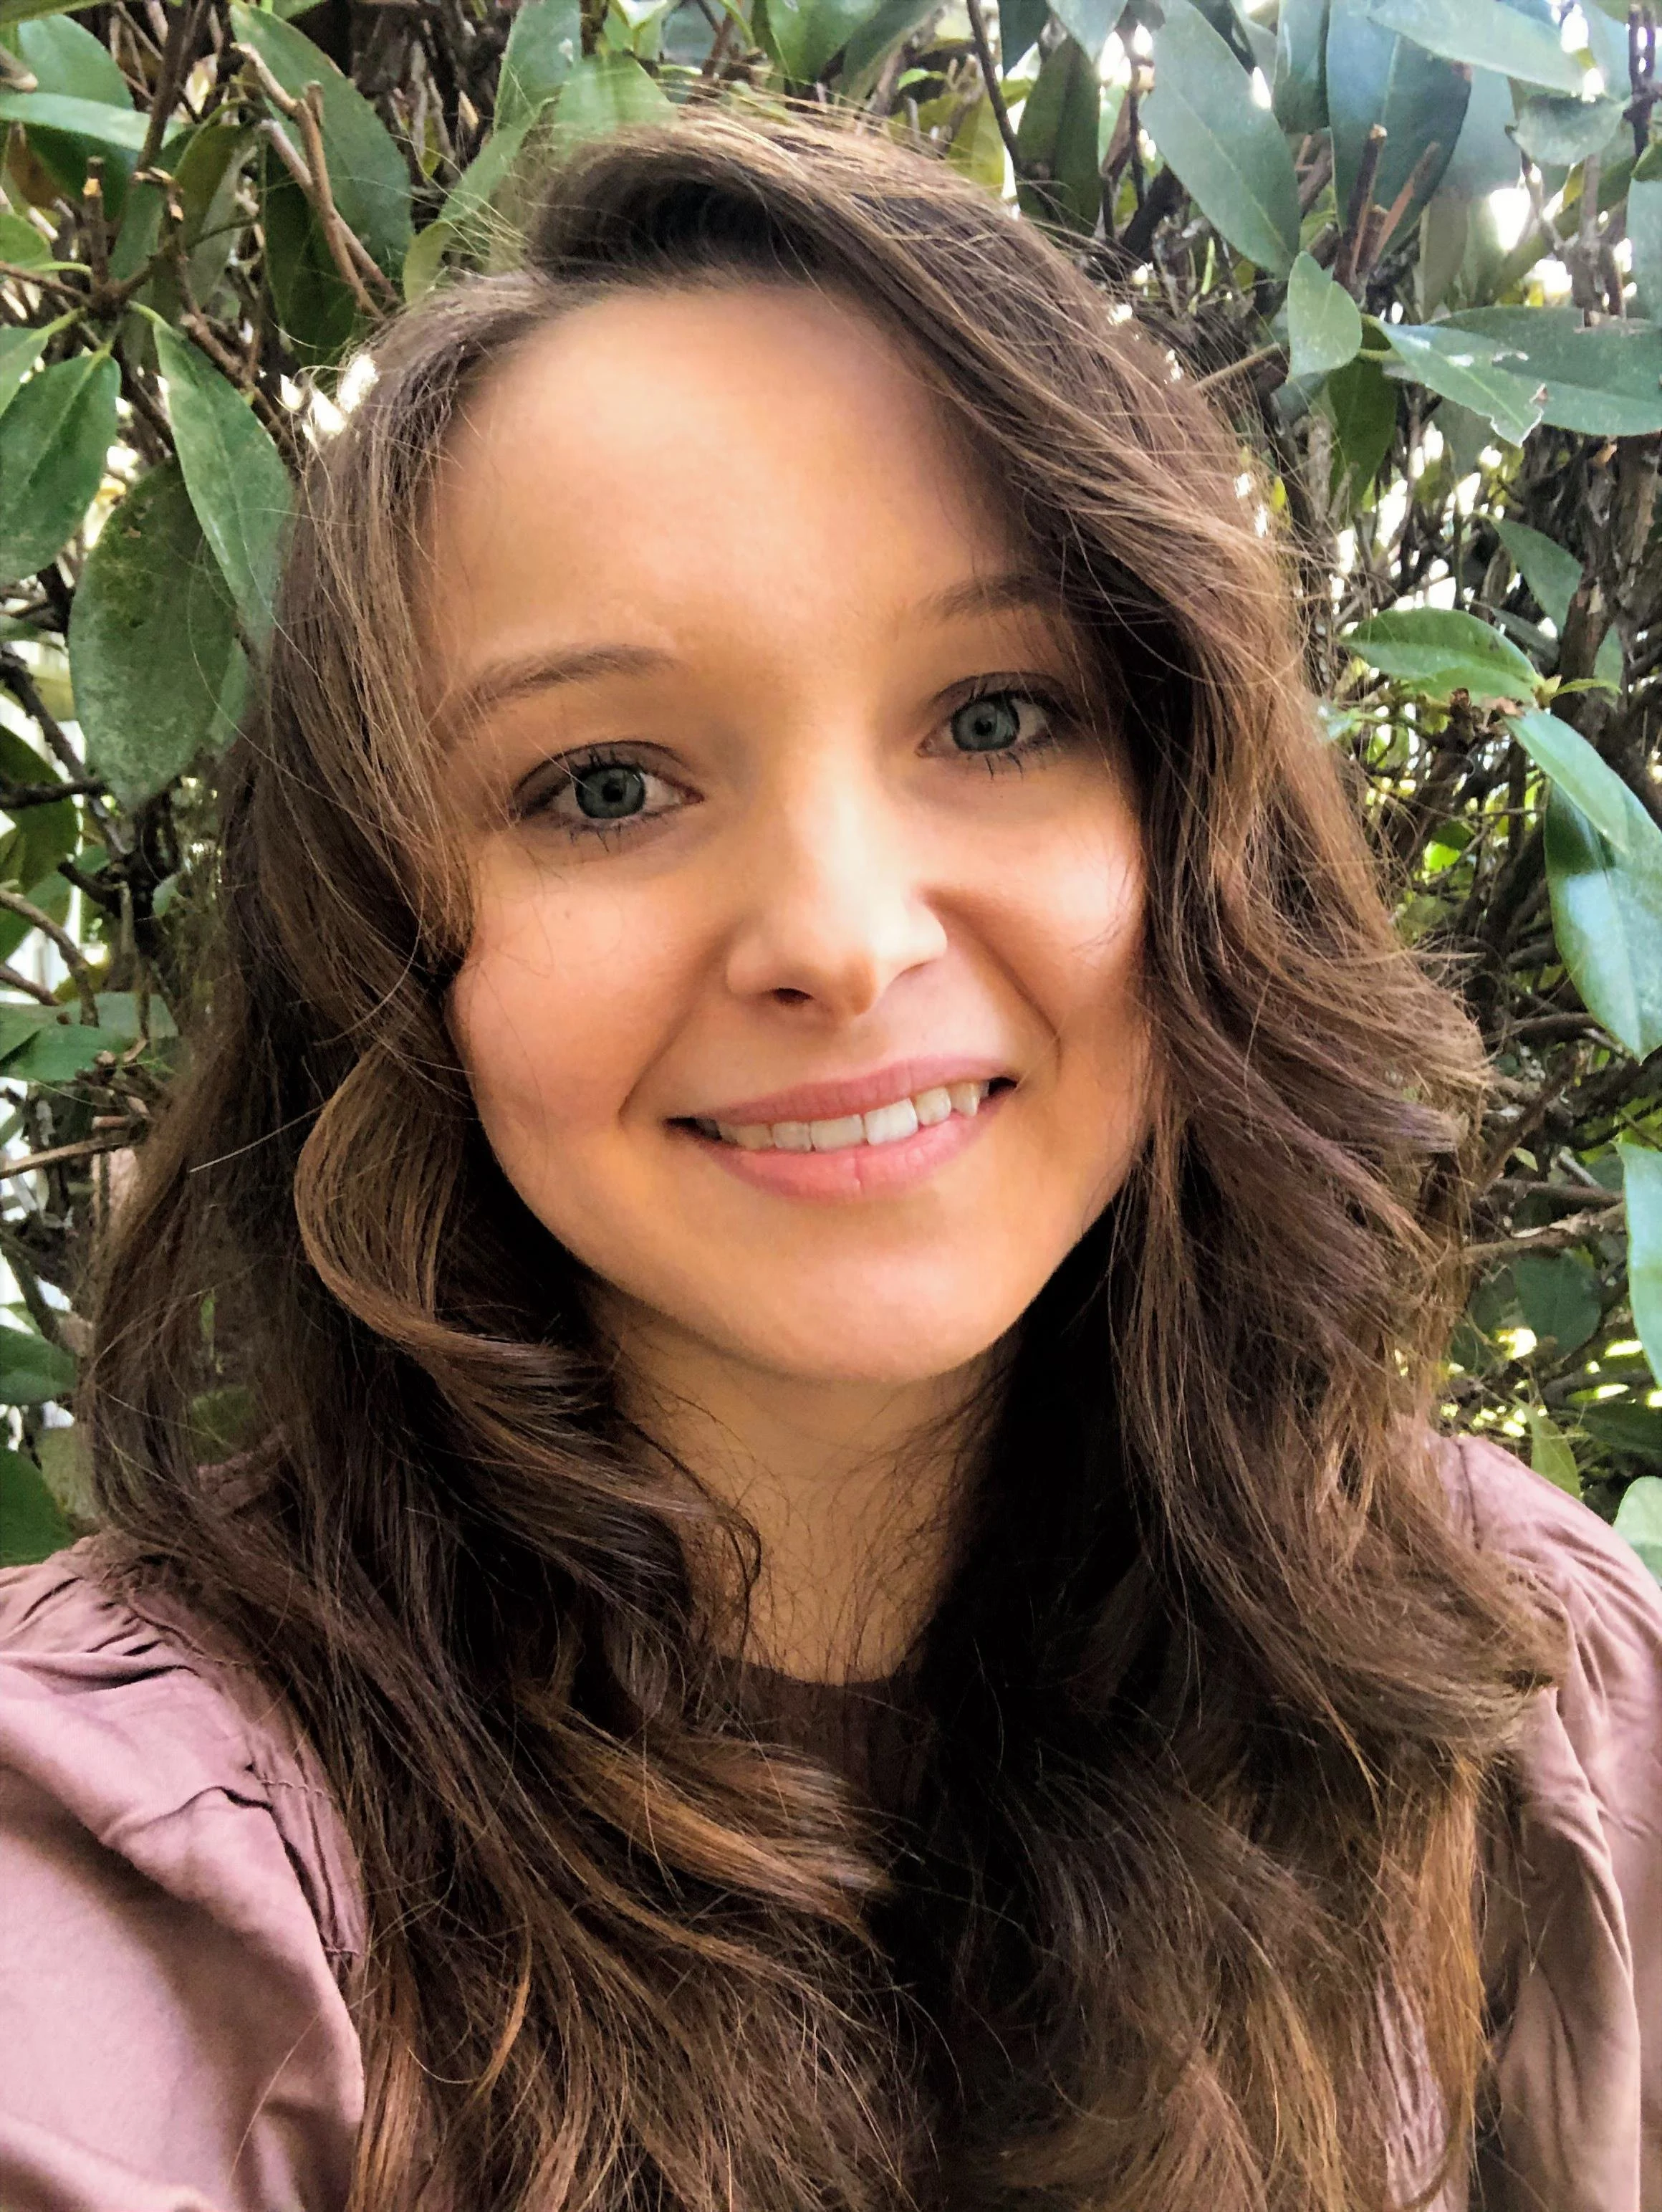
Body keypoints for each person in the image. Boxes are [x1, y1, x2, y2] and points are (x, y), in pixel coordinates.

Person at [0, 107, 1657, 2212]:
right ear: (389, 943)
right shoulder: (151, 1860)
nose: (847, 940)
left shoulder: (1519, 1704)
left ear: (1188, 814)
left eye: (994, 717)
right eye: (603, 781)